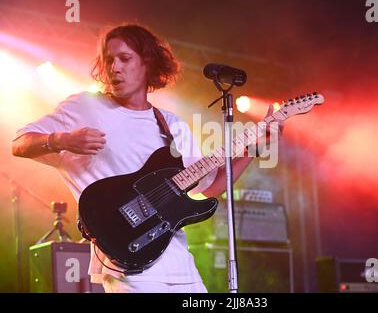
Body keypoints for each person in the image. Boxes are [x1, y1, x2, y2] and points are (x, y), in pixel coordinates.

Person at [11, 24, 280, 293]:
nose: (114, 67)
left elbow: (210, 188)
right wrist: (63, 140)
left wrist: (255, 148)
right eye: (109, 60)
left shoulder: (171, 125)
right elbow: (19, 144)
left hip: (181, 266)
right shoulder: (84, 107)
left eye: (125, 59)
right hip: (131, 266)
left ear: (147, 63)